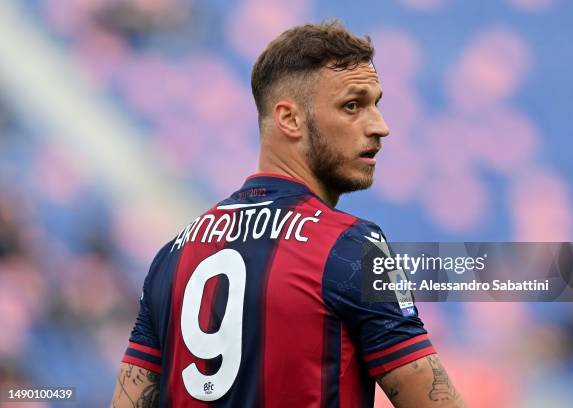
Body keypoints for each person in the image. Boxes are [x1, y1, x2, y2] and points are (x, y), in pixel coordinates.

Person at [111, 21, 467, 408]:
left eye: (376, 104)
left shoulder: (172, 257)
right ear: (290, 119)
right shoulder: (353, 249)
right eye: (352, 106)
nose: (380, 127)